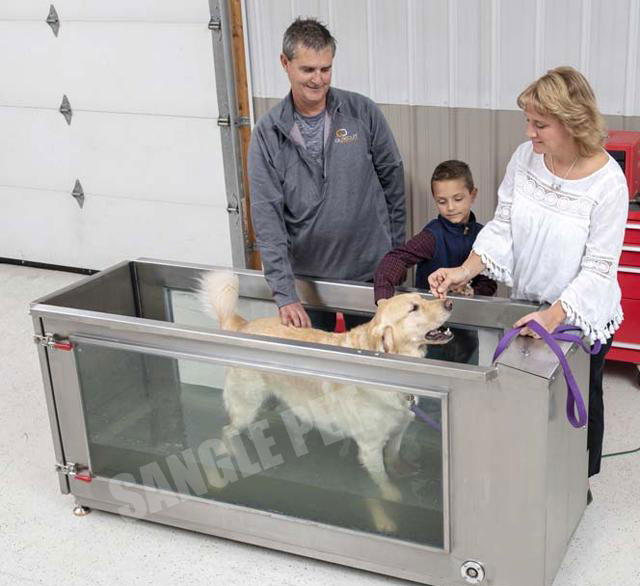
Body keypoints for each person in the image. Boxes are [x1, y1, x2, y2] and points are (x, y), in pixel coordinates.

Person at [428, 67, 629, 486]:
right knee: (532, 393)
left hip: (578, 315)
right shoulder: (525, 158)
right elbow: (502, 227)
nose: (529, 132)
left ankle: (577, 484)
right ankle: (533, 481)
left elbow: (598, 269)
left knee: (580, 396)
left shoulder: (608, 183)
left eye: (540, 124)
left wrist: (555, 317)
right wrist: (463, 269)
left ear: (573, 121)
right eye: (528, 121)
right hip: (529, 306)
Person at [248, 18, 406, 329]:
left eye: (326, 69)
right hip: (308, 282)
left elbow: (394, 183)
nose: (318, 80)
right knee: (315, 374)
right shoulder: (268, 133)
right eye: (308, 70)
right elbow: (267, 218)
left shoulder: (362, 112)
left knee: (372, 364)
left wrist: (395, 257)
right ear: (285, 63)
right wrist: (285, 293)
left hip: (371, 273)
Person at [373, 160, 497, 303]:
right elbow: (396, 259)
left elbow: (488, 282)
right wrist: (383, 300)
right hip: (431, 320)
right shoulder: (432, 236)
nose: (450, 207)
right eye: (442, 202)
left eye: (458, 199)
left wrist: (472, 292)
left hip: (469, 319)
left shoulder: (483, 236)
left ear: (473, 195)